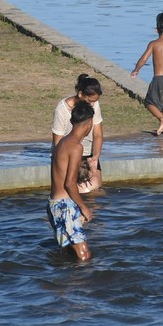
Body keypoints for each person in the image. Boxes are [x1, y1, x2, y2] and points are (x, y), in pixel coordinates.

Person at [50, 101, 96, 261]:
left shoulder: (62, 143)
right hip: (65, 205)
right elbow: (69, 183)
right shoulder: (76, 147)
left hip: (54, 204)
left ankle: (66, 284)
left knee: (67, 255)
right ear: (89, 123)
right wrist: (84, 207)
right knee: (84, 255)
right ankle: (85, 285)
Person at [52, 75, 105, 195]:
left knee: (96, 190)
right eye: (90, 101)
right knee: (71, 190)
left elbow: (98, 134)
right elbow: (57, 143)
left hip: (88, 154)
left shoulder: (93, 105)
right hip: (67, 155)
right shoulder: (61, 110)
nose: (92, 105)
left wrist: (95, 158)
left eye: (95, 102)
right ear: (80, 94)